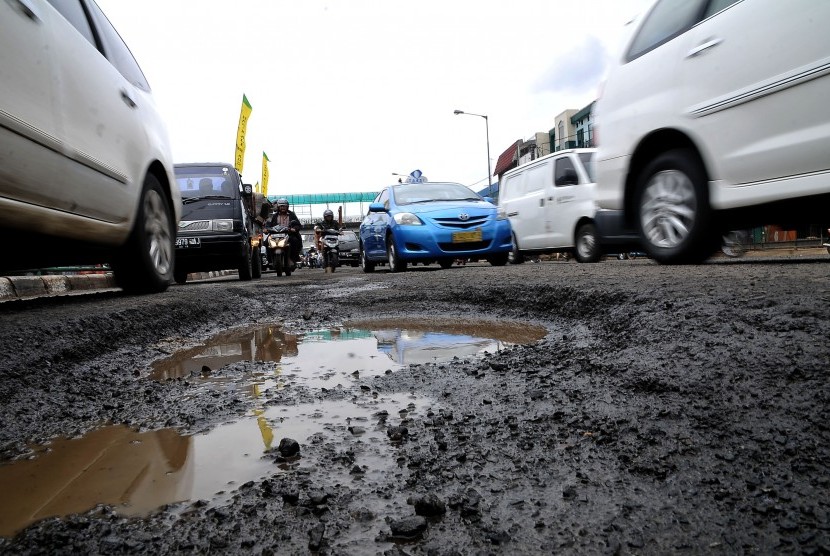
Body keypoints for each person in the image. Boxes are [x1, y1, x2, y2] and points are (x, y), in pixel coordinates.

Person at [265, 198, 302, 268]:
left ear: (287, 207)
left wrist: (294, 229)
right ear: (278, 207)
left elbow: (298, 225)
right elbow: (268, 224)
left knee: (295, 241)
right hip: (275, 234)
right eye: (281, 206)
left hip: (288, 234)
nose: (282, 208)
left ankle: (292, 258)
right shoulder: (273, 215)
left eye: (284, 206)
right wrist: (266, 229)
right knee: (266, 242)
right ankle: (269, 260)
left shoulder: (292, 214)